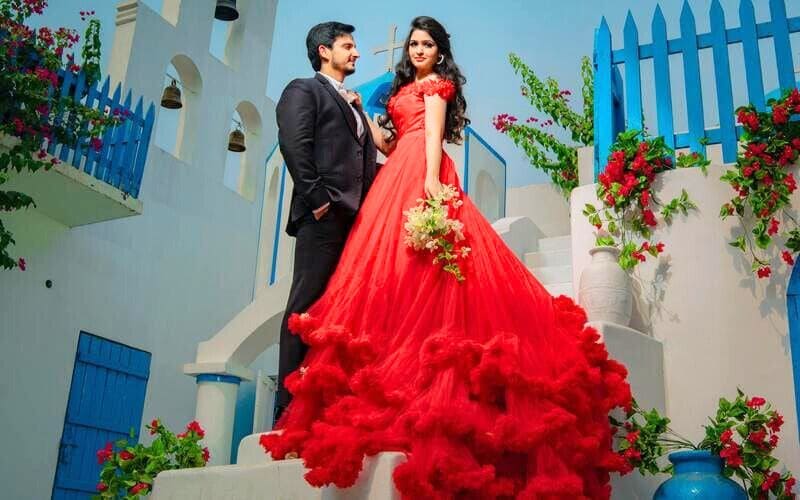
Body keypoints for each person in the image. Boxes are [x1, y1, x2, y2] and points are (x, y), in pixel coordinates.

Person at [263, 16, 632, 499]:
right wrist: (374, 131)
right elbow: (389, 143)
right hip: (394, 171)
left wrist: (433, 183)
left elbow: (432, 137)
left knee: (430, 270)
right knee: (392, 274)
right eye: (414, 44)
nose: (418, 50)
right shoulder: (382, 91)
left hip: (422, 170)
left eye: (427, 43)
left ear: (440, 51)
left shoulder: (437, 85)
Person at [273, 21, 394, 423]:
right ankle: (286, 409)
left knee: (340, 312)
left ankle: (322, 405)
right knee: (304, 308)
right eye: (348, 46)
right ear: (324, 51)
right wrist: (319, 200)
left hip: (353, 225)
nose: (356, 52)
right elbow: (294, 144)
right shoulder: (303, 90)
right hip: (322, 219)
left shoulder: (355, 104)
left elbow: (364, 166)